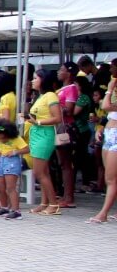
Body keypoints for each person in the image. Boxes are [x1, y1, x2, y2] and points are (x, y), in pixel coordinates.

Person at [25, 69, 62, 215]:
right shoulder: (40, 96)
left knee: (39, 172)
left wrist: (38, 122)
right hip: (36, 134)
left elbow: (57, 118)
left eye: (36, 78)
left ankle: (54, 204)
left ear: (43, 80)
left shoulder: (51, 95)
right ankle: (44, 202)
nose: (33, 81)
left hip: (45, 134)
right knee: (44, 171)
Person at [89, 73, 117, 224]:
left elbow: (105, 106)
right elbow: (109, 115)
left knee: (111, 178)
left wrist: (109, 89)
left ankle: (103, 213)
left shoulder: (110, 93)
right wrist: (101, 128)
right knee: (110, 177)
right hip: (109, 133)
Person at [0, 120, 28, 219]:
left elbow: (27, 149)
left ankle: (16, 211)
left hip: (12, 162)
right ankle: (4, 207)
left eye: (2, 137)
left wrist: (14, 152)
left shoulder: (16, 139)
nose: (0, 139)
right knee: (0, 187)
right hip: (0, 161)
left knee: (10, 188)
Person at [56, 62, 80, 209]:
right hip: (59, 127)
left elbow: (69, 110)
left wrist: (54, 107)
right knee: (62, 163)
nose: (58, 72)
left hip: (65, 128)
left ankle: (69, 197)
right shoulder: (62, 89)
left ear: (69, 73)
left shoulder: (71, 88)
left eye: (61, 70)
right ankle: (65, 195)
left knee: (66, 163)